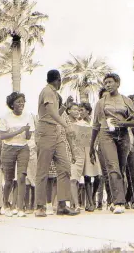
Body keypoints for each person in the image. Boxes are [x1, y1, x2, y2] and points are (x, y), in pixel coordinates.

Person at [89, 73, 134, 214]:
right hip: (106, 135)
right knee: (112, 167)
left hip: (123, 135)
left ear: (118, 83)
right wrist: (91, 146)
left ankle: (112, 200)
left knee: (120, 169)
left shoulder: (127, 100)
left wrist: (122, 123)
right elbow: (95, 126)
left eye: (110, 82)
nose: (107, 85)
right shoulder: (100, 103)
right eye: (105, 83)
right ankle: (119, 202)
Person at [35, 69, 79, 217]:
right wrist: (67, 125)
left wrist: (65, 107)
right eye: (60, 80)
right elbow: (51, 114)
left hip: (56, 130)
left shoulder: (53, 93)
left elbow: (55, 114)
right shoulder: (47, 91)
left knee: (65, 166)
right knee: (43, 170)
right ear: (57, 80)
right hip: (46, 131)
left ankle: (62, 204)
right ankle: (40, 206)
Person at [0, 92, 35, 217]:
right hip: (8, 148)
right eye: (18, 102)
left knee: (21, 177)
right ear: (12, 104)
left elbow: (29, 135)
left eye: (23, 101)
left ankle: (20, 208)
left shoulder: (28, 116)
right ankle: (5, 204)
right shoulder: (5, 117)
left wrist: (28, 131)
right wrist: (19, 131)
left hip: (23, 148)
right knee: (9, 180)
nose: (21, 104)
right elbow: (2, 136)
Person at [78, 102, 102, 212]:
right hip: (84, 150)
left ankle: (92, 197)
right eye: (79, 110)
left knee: (98, 177)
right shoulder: (79, 123)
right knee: (87, 176)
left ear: (88, 110)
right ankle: (90, 202)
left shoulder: (94, 121)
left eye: (82, 110)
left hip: (94, 149)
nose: (80, 112)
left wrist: (94, 150)